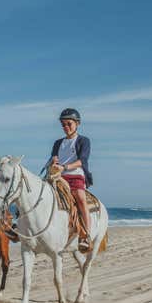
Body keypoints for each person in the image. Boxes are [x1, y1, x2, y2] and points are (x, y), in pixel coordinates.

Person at [50, 108, 94, 251]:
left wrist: (65, 167)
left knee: (80, 197)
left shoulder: (83, 140)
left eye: (69, 123)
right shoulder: (58, 143)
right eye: (63, 124)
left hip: (76, 175)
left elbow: (82, 161)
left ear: (77, 123)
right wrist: (54, 162)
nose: (66, 127)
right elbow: (53, 159)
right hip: (58, 176)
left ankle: (85, 235)